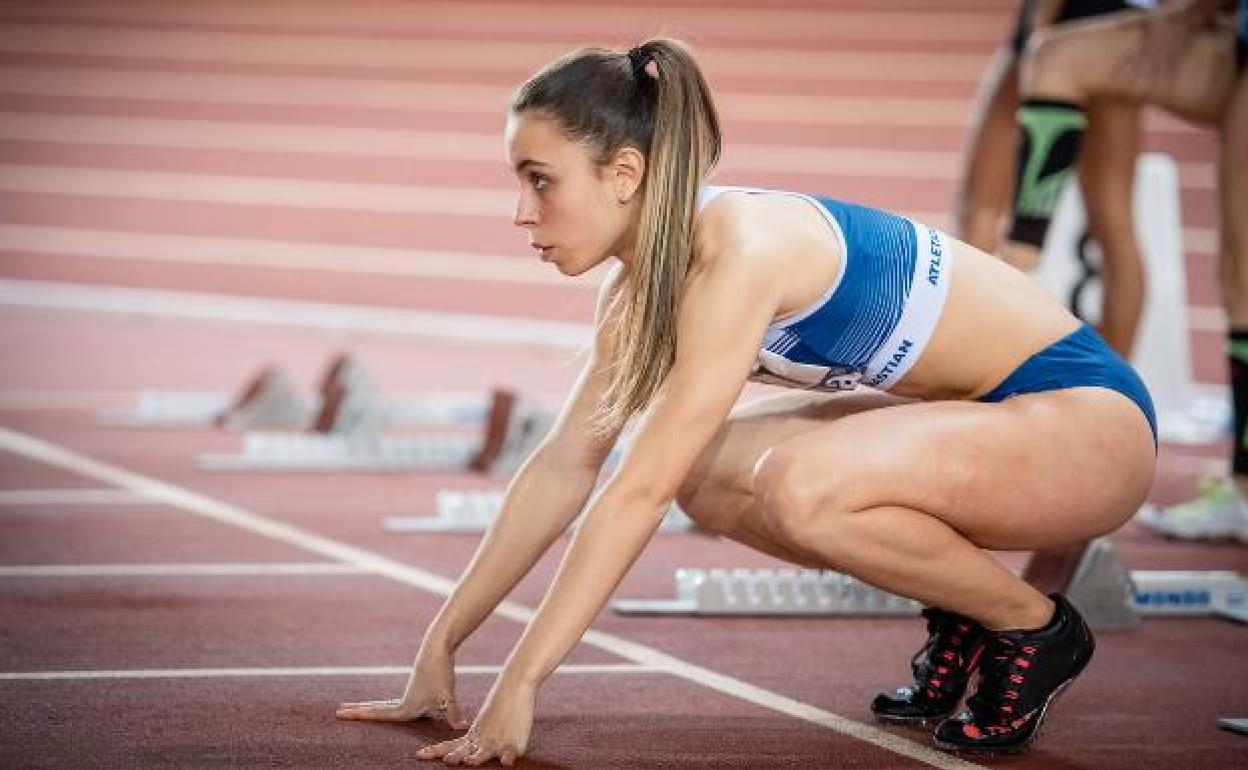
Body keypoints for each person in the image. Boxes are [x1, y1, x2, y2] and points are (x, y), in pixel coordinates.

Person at [335, 39, 1158, 763]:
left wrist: (520, 683)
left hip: (1087, 424)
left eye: (540, 181)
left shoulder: (742, 249)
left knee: (795, 483)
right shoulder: (638, 292)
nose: (522, 213)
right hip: (987, 423)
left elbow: (636, 492)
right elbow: (563, 465)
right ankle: (966, 607)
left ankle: (1029, 625)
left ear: (625, 174)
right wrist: (441, 647)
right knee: (711, 473)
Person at [996, 0, 1247, 541]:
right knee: (1058, 57)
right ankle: (1021, 254)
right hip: (1230, 45)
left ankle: (1243, 490)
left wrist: (1184, 16)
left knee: (1241, 283)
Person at [958, 0, 1158, 357]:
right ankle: (1111, 391)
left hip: (1058, 29)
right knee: (1115, 226)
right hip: (1126, 26)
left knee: (983, 211)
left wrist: (1037, 30)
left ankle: (972, 358)